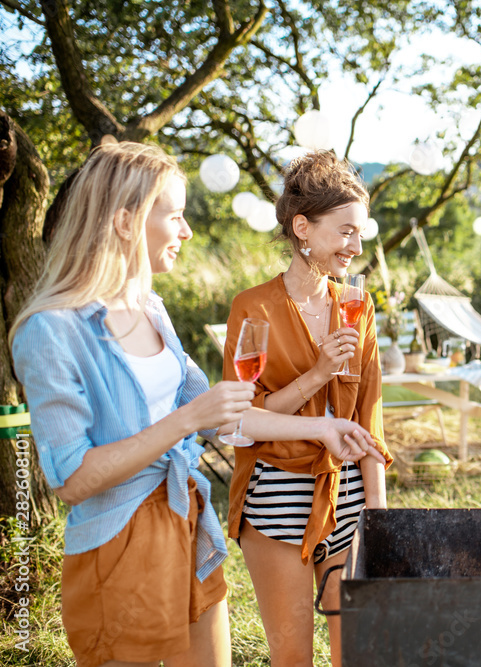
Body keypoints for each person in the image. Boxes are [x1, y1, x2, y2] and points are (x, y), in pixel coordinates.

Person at [10, 142, 381, 667]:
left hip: (189, 523)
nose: (187, 232)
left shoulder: (152, 309)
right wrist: (189, 420)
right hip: (118, 539)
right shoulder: (49, 330)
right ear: (124, 221)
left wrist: (322, 432)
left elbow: (228, 413)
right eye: (177, 216)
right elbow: (71, 477)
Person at [224, 150, 391, 665]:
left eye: (360, 233)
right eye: (345, 231)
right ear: (302, 227)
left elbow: (368, 417)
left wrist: (378, 519)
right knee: (293, 654)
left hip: (347, 493)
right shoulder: (253, 307)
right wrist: (317, 374)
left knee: (355, 650)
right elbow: (242, 415)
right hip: (277, 492)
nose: (356, 246)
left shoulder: (357, 306)